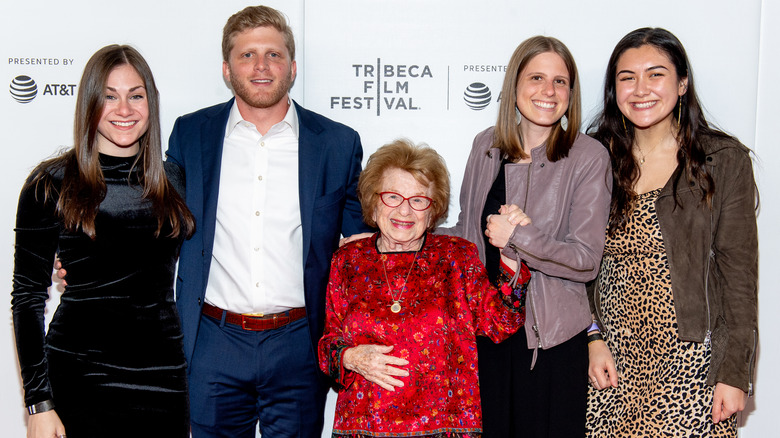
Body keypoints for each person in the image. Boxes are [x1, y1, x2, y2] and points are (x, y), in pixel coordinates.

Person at [164, 5, 370, 437]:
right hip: (213, 343)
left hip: (298, 341)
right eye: (247, 55)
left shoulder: (337, 143)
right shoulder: (191, 134)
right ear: (226, 68)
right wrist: (92, 261)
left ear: (292, 67)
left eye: (273, 55)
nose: (261, 66)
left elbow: (364, 245)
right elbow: (157, 217)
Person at [11, 44, 195, 438]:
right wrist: (39, 403)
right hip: (79, 374)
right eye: (109, 96)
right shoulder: (51, 182)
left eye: (136, 95)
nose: (124, 109)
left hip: (163, 377)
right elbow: (27, 297)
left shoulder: (174, 180)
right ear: (89, 104)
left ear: (151, 103)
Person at [586, 27, 758, 437]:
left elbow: (739, 277)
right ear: (614, 89)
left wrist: (734, 373)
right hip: (610, 362)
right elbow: (571, 263)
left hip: (693, 363)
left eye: (656, 74)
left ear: (682, 83)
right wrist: (591, 338)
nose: (640, 89)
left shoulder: (721, 160)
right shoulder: (592, 157)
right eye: (627, 77)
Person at [437, 36, 612, 437]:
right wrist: (401, 236)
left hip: (548, 341)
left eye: (560, 81)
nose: (548, 91)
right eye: (536, 77)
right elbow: (468, 233)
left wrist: (519, 237)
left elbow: (585, 259)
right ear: (514, 86)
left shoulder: (587, 157)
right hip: (485, 335)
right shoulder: (486, 145)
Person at [319, 139, 529, 438]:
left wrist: (510, 253)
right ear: (374, 204)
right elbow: (327, 344)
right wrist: (349, 358)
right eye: (392, 197)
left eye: (418, 200)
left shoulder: (457, 256)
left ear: (432, 212)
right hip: (364, 426)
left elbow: (501, 323)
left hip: (445, 428)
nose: (404, 210)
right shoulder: (348, 261)